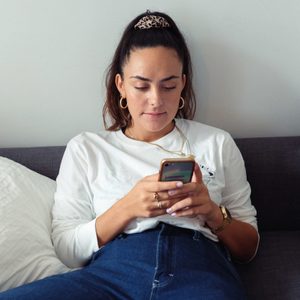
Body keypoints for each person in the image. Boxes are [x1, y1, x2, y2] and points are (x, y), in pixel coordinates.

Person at [0, 10, 259, 300]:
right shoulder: (87, 148)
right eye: (141, 85)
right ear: (121, 84)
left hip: (198, 271)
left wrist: (211, 211)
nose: (156, 100)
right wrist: (129, 207)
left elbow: (248, 249)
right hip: (111, 277)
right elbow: (66, 250)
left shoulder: (217, 142)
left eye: (169, 85)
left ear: (183, 83)